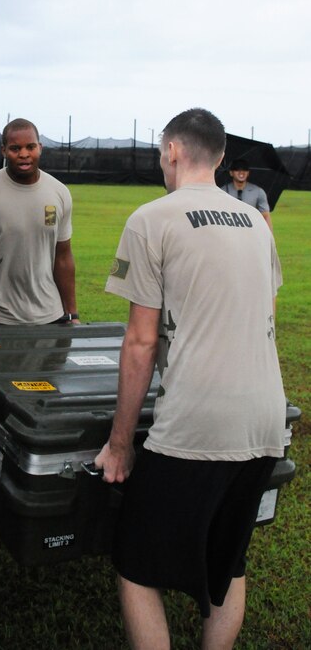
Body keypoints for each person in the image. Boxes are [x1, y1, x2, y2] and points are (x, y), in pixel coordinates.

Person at [95, 108, 285, 650]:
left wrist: (118, 445)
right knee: (229, 562)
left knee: (136, 564)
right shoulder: (257, 225)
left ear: (174, 152)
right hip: (266, 418)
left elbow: (140, 343)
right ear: (222, 158)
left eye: (161, 153)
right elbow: (263, 317)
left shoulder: (152, 218)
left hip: (197, 423)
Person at [0, 118, 79, 326]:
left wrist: (72, 314)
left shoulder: (59, 192)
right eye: (15, 148)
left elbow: (63, 257)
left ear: (40, 148)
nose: (23, 154)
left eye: (30, 147)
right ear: (3, 151)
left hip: (51, 317)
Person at [221, 158, 273, 231]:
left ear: (248, 173)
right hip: (229, 232)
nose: (241, 172)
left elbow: (266, 215)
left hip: (252, 231)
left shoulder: (258, 191)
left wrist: (270, 238)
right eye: (237, 170)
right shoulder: (222, 192)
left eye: (244, 170)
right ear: (231, 173)